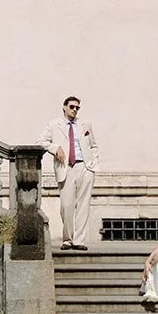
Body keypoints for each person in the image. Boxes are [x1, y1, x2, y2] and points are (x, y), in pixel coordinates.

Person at [38, 95, 99, 250]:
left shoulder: (85, 124)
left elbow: (93, 145)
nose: (74, 110)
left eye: (77, 108)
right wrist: (55, 148)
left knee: (83, 204)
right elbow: (41, 142)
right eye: (72, 107)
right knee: (66, 205)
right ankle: (67, 239)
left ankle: (79, 240)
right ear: (64, 107)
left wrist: (92, 164)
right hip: (66, 167)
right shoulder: (54, 125)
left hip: (84, 167)